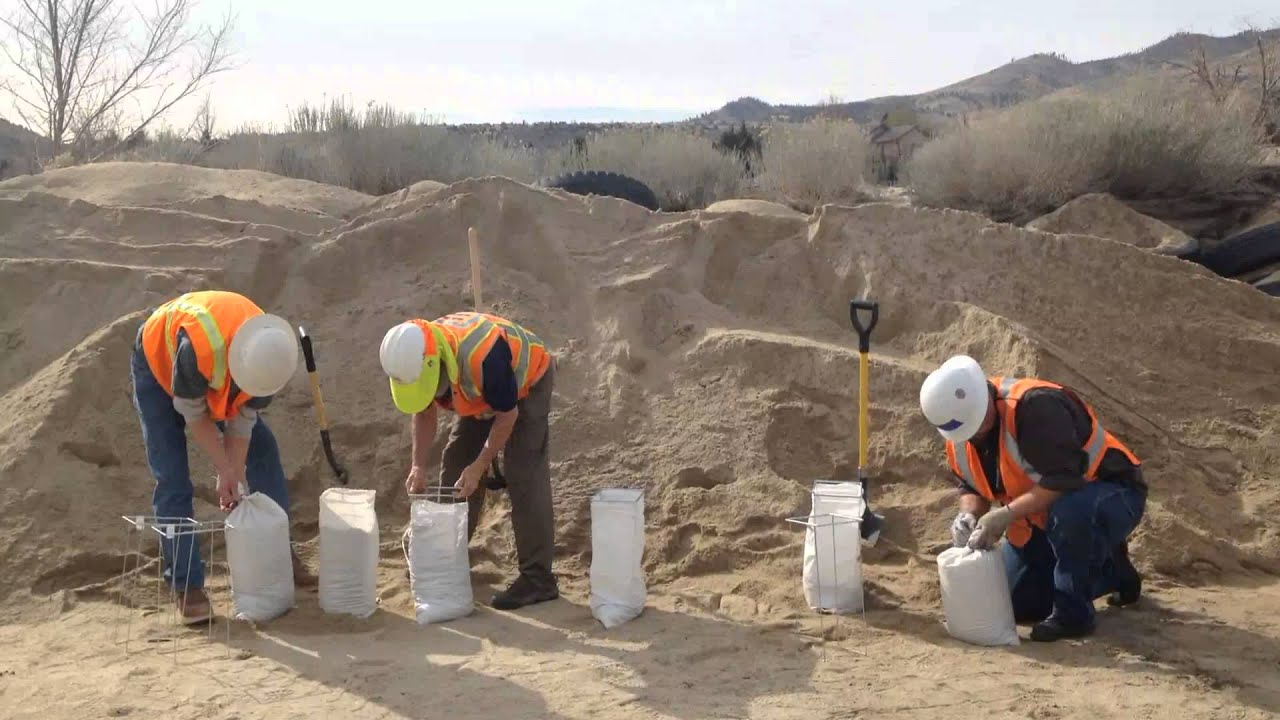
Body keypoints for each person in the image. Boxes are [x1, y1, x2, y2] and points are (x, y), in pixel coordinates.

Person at [919, 355, 1147, 642]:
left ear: (985, 397)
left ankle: (1074, 617)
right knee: (1017, 602)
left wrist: (1005, 514)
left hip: (1111, 493)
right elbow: (971, 485)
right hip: (1039, 518)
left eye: (977, 423)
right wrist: (969, 514)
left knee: (1070, 514)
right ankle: (1111, 571)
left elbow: (1065, 480)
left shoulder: (1035, 409)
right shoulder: (960, 431)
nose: (974, 434)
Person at [131, 290, 316, 625]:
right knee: (171, 473)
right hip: (157, 357)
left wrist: (236, 471)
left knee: (263, 450)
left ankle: (277, 553)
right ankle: (187, 586)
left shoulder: (270, 353)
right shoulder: (197, 352)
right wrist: (224, 469)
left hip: (213, 361)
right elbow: (195, 417)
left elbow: (242, 422)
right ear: (238, 362)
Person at [378, 310, 558, 611]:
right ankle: (446, 557)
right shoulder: (418, 348)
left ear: (435, 365)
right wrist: (418, 465)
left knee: (523, 472)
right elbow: (423, 411)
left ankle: (538, 579)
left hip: (526, 382)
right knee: (456, 460)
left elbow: (507, 415)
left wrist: (480, 465)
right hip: (476, 390)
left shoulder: (484, 357)